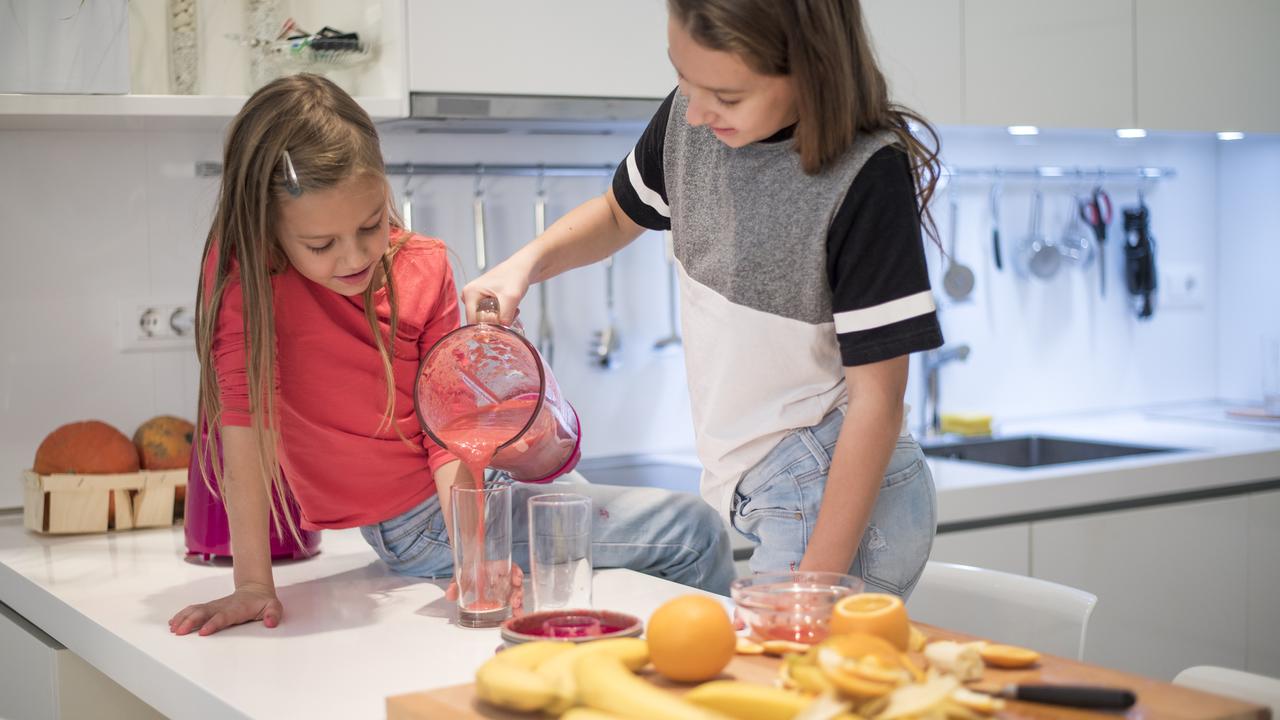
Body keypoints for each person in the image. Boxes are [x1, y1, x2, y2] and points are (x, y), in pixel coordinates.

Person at [169, 74, 735, 637]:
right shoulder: (248, 278)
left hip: (465, 495)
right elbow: (243, 425)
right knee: (696, 531)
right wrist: (252, 586)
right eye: (321, 244)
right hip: (421, 524)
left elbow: (450, 434)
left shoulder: (422, 266)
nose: (355, 255)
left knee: (625, 525)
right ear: (270, 230)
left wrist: (477, 553)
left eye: (370, 225)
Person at [463, 0, 944, 597]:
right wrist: (523, 266)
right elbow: (619, 214)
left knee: (787, 680)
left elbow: (879, 402)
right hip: (774, 483)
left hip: (839, 488)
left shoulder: (866, 177)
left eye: (726, 95)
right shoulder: (693, 125)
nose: (694, 111)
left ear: (810, 68)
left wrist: (811, 592)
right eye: (682, 78)